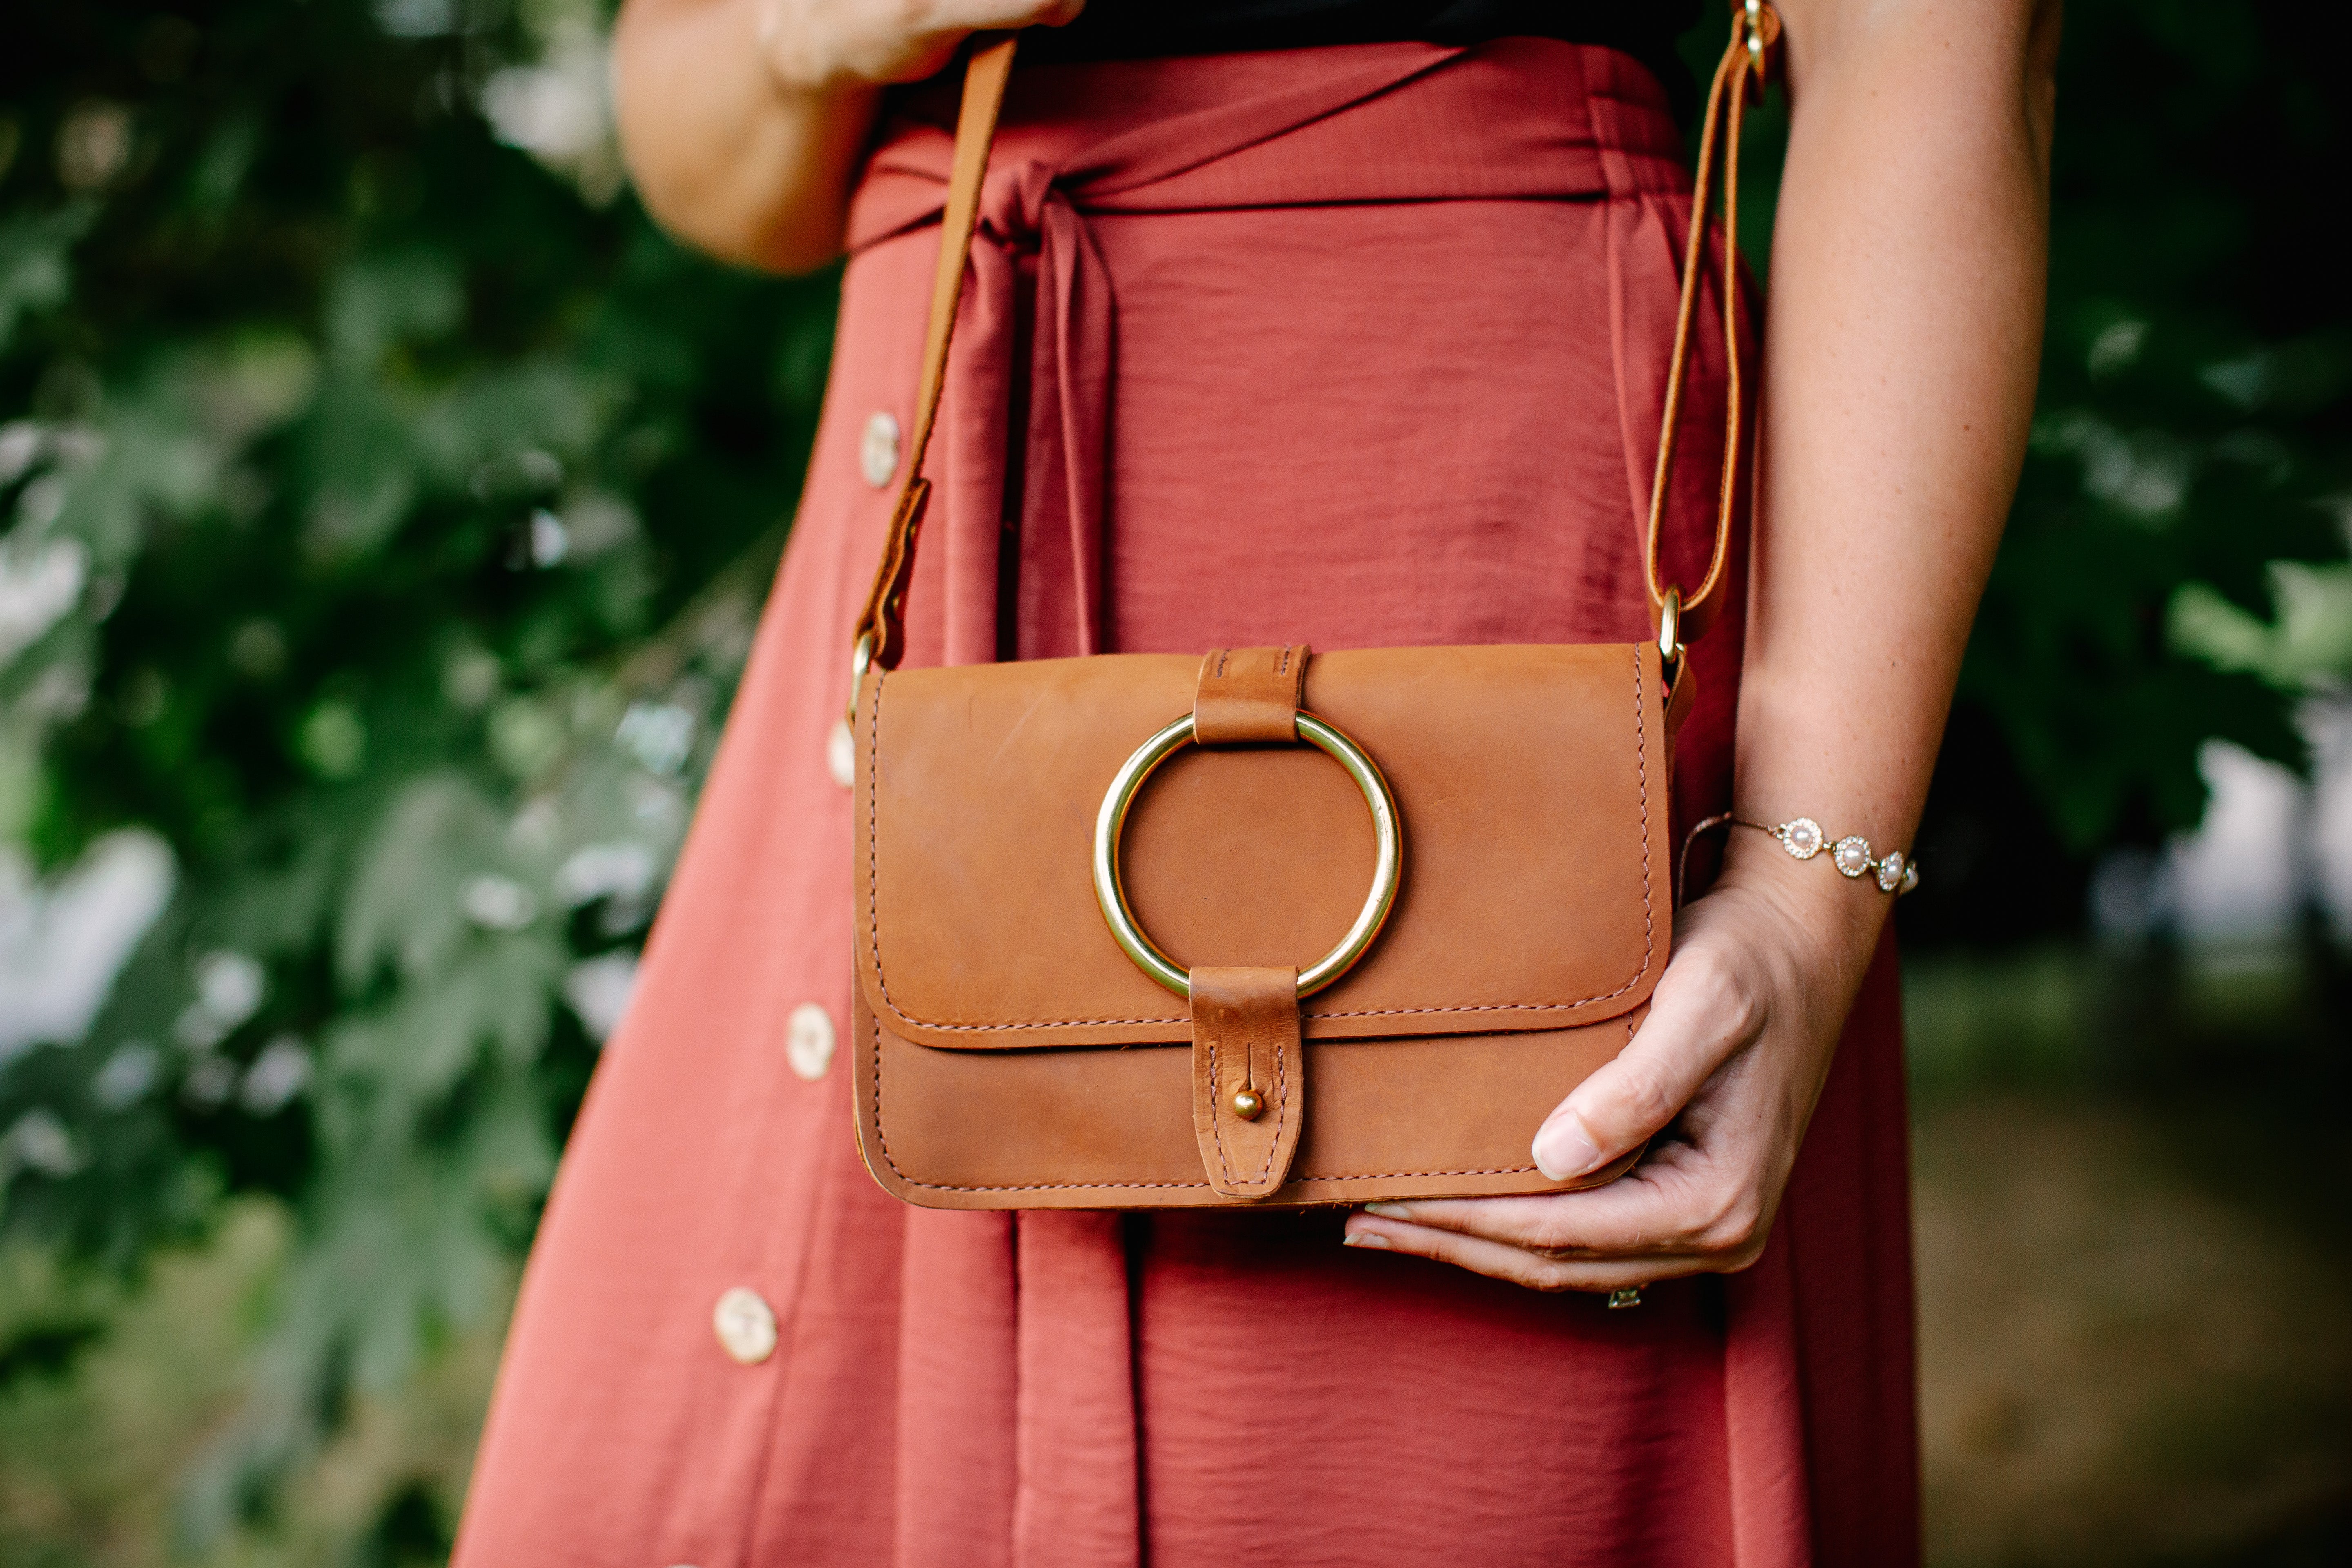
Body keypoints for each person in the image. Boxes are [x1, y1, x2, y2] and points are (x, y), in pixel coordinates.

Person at [451, 2, 2060, 1563]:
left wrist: (1804, 887)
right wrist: (816, 27)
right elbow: (703, 144)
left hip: (1469, 525)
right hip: (942, 563)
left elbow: (1933, 44)